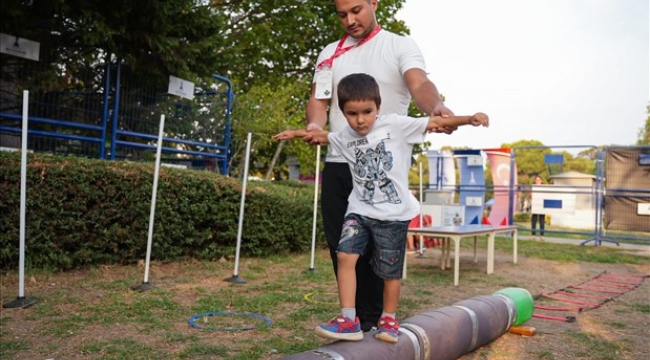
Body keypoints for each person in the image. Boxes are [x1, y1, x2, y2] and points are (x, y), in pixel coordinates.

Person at [274, 73, 489, 343]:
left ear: (378, 107)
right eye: (352, 114)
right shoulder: (345, 136)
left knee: (389, 271)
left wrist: (469, 118)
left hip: (392, 215)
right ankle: (348, 319)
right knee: (345, 256)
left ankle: (388, 319)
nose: (360, 120)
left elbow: (435, 121)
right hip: (359, 211)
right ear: (342, 112)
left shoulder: (396, 125)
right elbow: (324, 136)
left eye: (367, 112)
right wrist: (296, 133)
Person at [303, 0, 456, 332]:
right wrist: (315, 125)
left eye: (357, 10)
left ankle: (374, 322)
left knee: (377, 245)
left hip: (381, 167)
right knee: (342, 245)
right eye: (342, 14)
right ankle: (351, 318)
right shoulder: (330, 52)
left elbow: (420, 85)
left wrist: (437, 106)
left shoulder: (399, 45)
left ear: (374, 3)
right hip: (339, 161)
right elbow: (319, 99)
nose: (350, 20)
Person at [531, 175, 546, 241]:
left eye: (539, 180)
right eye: (536, 180)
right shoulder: (533, 187)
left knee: (542, 220)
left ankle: (542, 236)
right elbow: (530, 196)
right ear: (535, 181)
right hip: (535, 205)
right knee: (534, 220)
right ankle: (533, 235)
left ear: (541, 181)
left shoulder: (544, 188)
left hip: (542, 205)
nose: (538, 181)